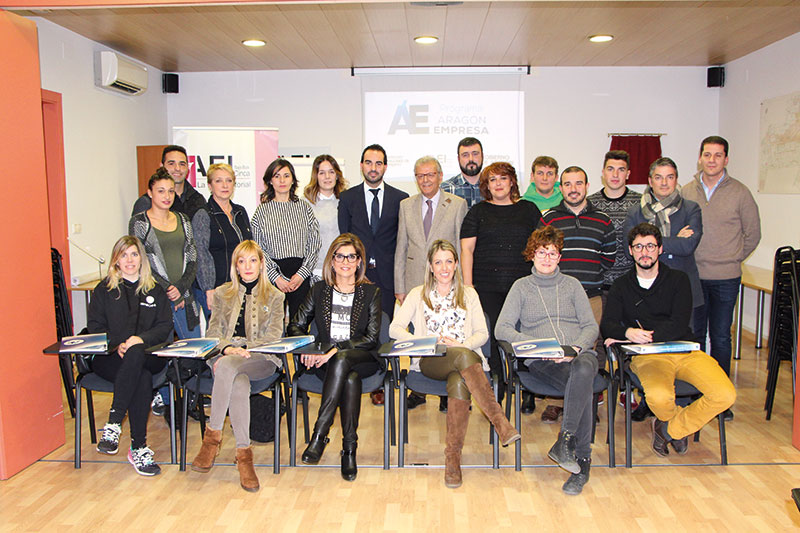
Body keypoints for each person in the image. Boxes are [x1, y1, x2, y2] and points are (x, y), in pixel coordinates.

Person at [390, 240, 520, 488]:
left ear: (457, 264)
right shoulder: (417, 294)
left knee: (459, 379)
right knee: (462, 358)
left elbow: (482, 333)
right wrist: (426, 342)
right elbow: (394, 329)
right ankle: (500, 421)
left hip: (465, 362)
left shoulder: (469, 294)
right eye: (438, 262)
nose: (444, 267)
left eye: (449, 261)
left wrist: (462, 344)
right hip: (431, 360)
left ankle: (453, 460)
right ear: (430, 266)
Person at [600, 223, 736, 457]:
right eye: (638, 246)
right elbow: (607, 325)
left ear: (660, 249)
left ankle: (669, 430)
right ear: (630, 251)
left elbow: (680, 323)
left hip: (685, 351)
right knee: (660, 398)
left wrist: (647, 336)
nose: (645, 252)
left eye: (650, 246)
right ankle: (675, 429)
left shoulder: (679, 279)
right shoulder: (621, 285)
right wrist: (628, 333)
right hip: (648, 358)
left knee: (725, 394)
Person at [495, 225, 600, 495]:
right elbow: (502, 328)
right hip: (542, 359)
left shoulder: (573, 285)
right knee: (584, 386)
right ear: (532, 255)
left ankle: (566, 441)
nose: (547, 258)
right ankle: (582, 461)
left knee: (584, 370)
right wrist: (535, 346)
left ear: (560, 257)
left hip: (577, 354)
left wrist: (575, 348)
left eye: (552, 253)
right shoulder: (521, 287)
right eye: (541, 252)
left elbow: (591, 326)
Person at [191, 240, 285, 492]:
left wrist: (245, 348)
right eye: (241, 261)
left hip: (261, 358)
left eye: (253, 260)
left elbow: (274, 336)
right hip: (226, 355)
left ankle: (211, 440)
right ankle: (244, 456)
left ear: (262, 264)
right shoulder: (223, 293)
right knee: (238, 382)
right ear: (235, 266)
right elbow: (212, 333)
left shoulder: (276, 296)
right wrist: (227, 349)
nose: (247, 266)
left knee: (227, 367)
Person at [287, 233, 382, 481]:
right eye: (340, 256)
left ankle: (320, 434)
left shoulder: (371, 292)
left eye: (351, 257)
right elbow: (295, 326)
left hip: (363, 358)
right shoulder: (319, 290)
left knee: (342, 359)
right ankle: (349, 449)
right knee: (349, 378)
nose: (345, 262)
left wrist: (335, 349)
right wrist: (311, 349)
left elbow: (371, 338)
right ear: (332, 260)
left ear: (359, 261)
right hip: (326, 363)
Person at [682, 136, 761, 413]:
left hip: (726, 277)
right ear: (700, 158)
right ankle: (695, 391)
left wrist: (733, 257)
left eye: (718, 155)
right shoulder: (687, 191)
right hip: (693, 276)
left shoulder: (740, 193)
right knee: (695, 336)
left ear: (726, 159)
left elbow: (753, 234)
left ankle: (720, 398)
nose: (712, 160)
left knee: (721, 336)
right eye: (707, 154)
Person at [88, 236, 172, 476]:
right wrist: (118, 345)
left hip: (149, 354)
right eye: (123, 255)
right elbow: (95, 327)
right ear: (116, 260)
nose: (129, 260)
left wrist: (140, 340)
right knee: (141, 378)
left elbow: (164, 327)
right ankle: (139, 447)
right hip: (112, 357)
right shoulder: (104, 290)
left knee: (137, 354)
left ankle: (114, 423)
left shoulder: (155, 289)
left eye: (134, 254)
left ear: (141, 258)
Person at [460, 162, 541, 407]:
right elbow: (467, 249)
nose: (498, 184)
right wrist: (468, 286)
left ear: (512, 181)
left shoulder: (529, 209)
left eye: (503, 178)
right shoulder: (478, 212)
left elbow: (540, 246)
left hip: (524, 287)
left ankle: (527, 387)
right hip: (487, 287)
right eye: (492, 180)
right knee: (495, 336)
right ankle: (499, 386)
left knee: (525, 335)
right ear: (486, 185)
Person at [538, 166, 615, 422]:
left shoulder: (603, 219)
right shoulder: (549, 218)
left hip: (591, 296)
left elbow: (608, 258)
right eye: (568, 184)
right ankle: (556, 402)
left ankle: (585, 404)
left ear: (587, 186)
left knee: (587, 351)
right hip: (556, 297)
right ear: (560, 188)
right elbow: (541, 253)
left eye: (578, 183)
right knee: (557, 349)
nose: (573, 189)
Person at [395, 156, 468, 412]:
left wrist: (461, 285)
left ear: (440, 176)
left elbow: (460, 248)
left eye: (430, 174)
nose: (425, 180)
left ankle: (448, 390)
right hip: (415, 281)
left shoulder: (457, 204)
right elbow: (401, 247)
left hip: (447, 281)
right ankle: (418, 389)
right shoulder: (406, 205)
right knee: (418, 333)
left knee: (447, 331)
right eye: (420, 175)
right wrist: (400, 286)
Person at [338, 144, 408, 406]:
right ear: (361, 166)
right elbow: (345, 238)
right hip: (358, 276)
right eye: (368, 162)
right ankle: (359, 374)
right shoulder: (348, 198)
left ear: (385, 167)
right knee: (358, 328)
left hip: (388, 277)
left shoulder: (401, 198)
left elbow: (402, 240)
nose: (373, 168)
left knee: (384, 329)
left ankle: (382, 381)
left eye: (378, 163)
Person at [129, 167, 201, 340]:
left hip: (184, 295)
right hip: (156, 296)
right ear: (150, 193)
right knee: (161, 349)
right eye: (161, 191)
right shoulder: (139, 222)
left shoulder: (183, 219)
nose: (167, 196)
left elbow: (192, 256)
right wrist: (169, 289)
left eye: (170, 191)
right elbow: (141, 261)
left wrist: (180, 288)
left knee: (196, 348)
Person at [251, 158, 321, 319]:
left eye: (286, 176)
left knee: (299, 325)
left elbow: (314, 243)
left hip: (300, 274)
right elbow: (258, 248)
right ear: (270, 181)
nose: (282, 180)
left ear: (293, 180)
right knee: (272, 325)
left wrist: (302, 274)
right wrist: (276, 277)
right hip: (273, 276)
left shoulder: (304, 208)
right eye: (277, 176)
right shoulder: (261, 212)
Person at [192, 163, 253, 318]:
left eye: (229, 180)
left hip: (240, 286)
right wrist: (209, 289)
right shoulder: (203, 215)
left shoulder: (240, 211)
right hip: (216, 288)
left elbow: (249, 247)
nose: (225, 185)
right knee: (219, 331)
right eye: (218, 181)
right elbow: (201, 253)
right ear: (210, 186)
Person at [587, 150, 642, 290]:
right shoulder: (589, 204)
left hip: (632, 282)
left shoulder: (641, 202)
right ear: (603, 173)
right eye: (610, 169)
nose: (615, 175)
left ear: (628, 174)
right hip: (599, 284)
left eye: (621, 170)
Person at [304, 154, 348, 283]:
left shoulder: (346, 201)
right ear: (316, 176)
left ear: (337, 175)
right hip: (316, 270)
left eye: (331, 172)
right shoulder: (306, 204)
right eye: (322, 173)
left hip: (342, 268)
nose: (327, 177)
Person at [131, 145, 205, 218]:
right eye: (171, 163)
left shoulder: (198, 199)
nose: (177, 168)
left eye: (182, 164)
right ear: (162, 166)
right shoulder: (147, 202)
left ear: (188, 167)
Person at [440, 137, 485, 208]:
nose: (471, 159)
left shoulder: (493, 187)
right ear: (458, 159)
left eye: (475, 154)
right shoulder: (445, 189)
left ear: (482, 156)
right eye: (465, 155)